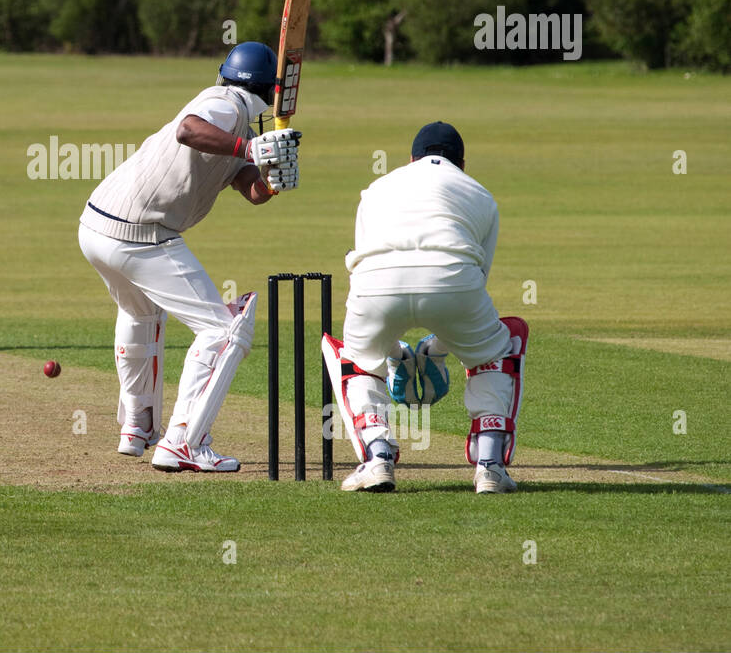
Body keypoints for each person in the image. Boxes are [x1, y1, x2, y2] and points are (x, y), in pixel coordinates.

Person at [78, 42, 300, 472]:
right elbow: (188, 129)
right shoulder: (226, 103)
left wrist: (276, 175)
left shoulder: (239, 128)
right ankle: (183, 442)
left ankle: (138, 426)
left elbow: (253, 192)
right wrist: (251, 150)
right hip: (141, 234)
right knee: (223, 331)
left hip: (96, 228)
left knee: (142, 315)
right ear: (266, 90)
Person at [322, 121, 528, 494]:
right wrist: (444, 344)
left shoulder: (376, 188)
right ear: (462, 164)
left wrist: (389, 348)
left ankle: (378, 456)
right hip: (453, 283)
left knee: (356, 357)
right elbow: (476, 279)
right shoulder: (480, 194)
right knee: (499, 348)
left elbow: (365, 261)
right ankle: (490, 466)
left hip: (376, 286)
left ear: (411, 159)